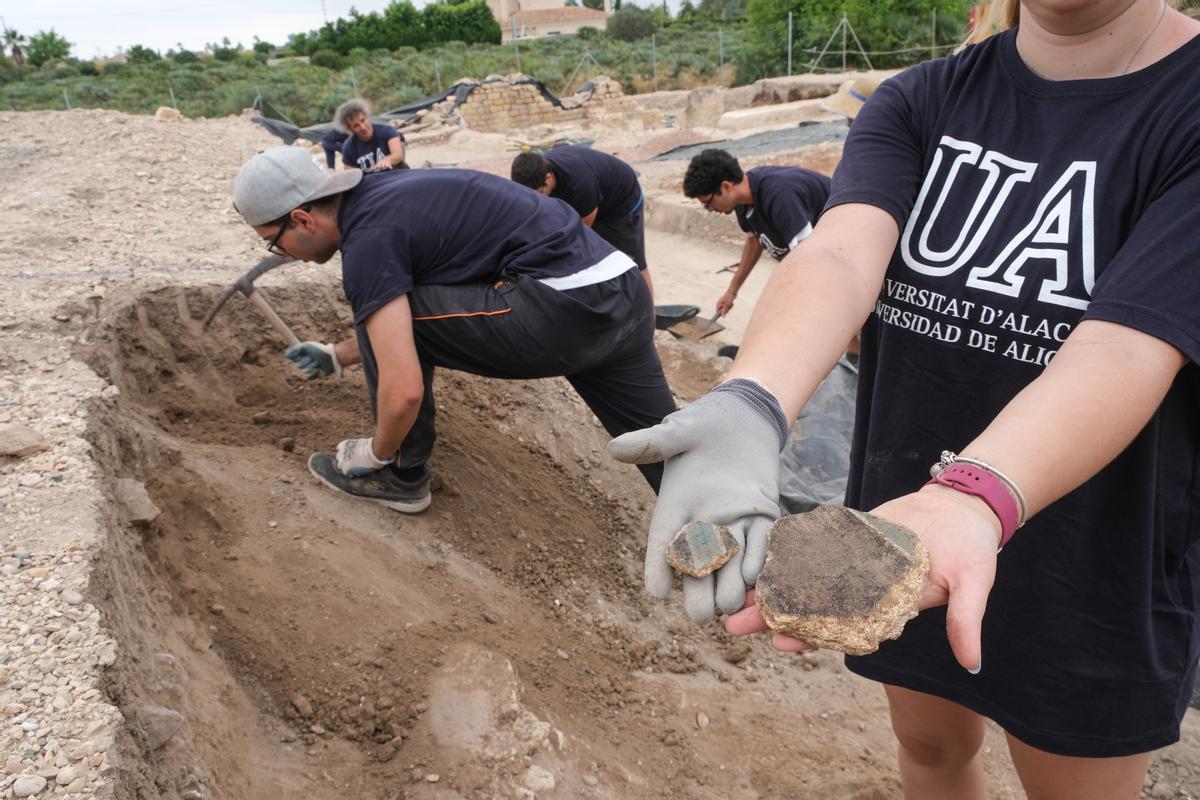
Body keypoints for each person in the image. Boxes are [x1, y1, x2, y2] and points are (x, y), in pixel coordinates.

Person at [611, 0, 1200, 797]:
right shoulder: (919, 100)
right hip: (906, 530)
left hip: (1091, 560)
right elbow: (840, 254)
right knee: (928, 750)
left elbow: (1126, 345)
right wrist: (753, 398)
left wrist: (975, 494)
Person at [232, 147, 675, 511]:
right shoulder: (392, 191)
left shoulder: (368, 242)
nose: (281, 253)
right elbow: (453, 298)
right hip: (623, 294)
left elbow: (404, 387)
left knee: (385, 305)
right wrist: (338, 354)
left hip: (562, 310)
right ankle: (714, 539)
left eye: (273, 242)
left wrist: (375, 451)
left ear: (303, 219)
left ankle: (401, 475)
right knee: (668, 453)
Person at [682, 149, 830, 319]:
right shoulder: (743, 200)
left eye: (708, 203)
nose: (710, 209)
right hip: (820, 262)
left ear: (726, 187)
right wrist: (731, 292)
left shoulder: (780, 196)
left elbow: (809, 261)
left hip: (841, 256)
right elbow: (753, 242)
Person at [511, 147, 654, 298]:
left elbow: (581, 235)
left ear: (548, 178)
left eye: (540, 193)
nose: (538, 200)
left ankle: (648, 309)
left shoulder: (580, 184)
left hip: (621, 203)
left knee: (632, 263)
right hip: (595, 197)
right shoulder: (536, 174)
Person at [335, 98, 407, 172]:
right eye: (356, 126)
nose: (363, 127)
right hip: (372, 179)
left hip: (398, 175)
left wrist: (388, 160)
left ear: (367, 117)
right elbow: (350, 172)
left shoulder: (386, 130)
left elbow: (398, 155)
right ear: (350, 129)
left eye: (363, 120)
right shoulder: (348, 147)